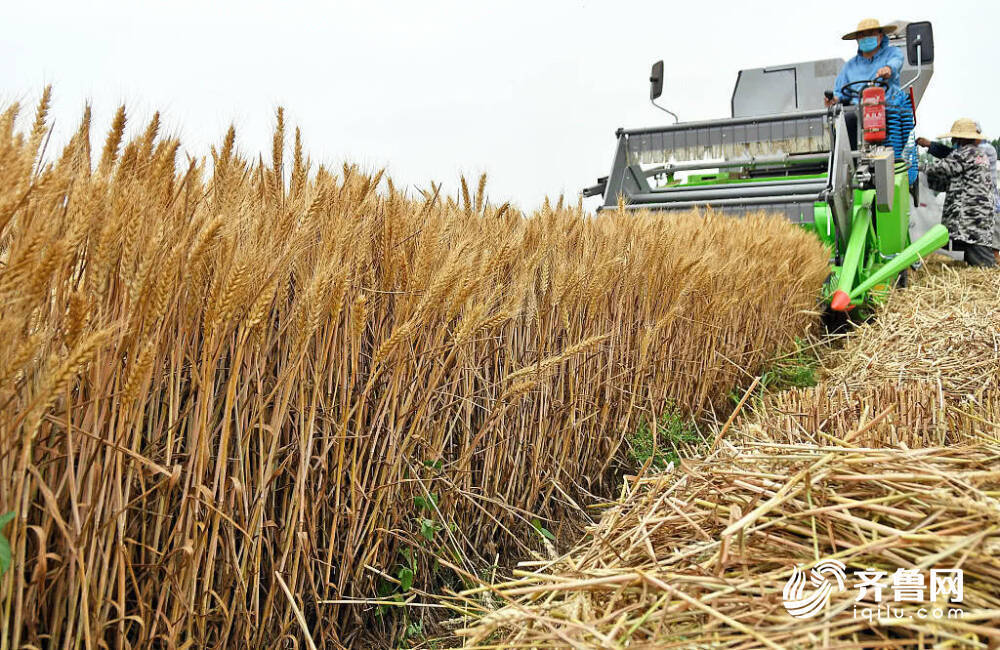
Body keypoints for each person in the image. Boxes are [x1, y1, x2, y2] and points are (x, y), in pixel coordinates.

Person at [916, 119, 997, 268]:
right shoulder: (978, 154)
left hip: (970, 216)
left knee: (982, 260)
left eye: (954, 138)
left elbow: (941, 168)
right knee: (975, 252)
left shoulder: (966, 153)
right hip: (979, 215)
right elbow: (954, 182)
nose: (952, 141)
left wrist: (917, 167)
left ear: (960, 138)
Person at [825, 19, 905, 108]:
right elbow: (840, 93)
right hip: (858, 112)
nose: (866, 37)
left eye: (871, 33)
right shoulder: (849, 66)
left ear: (881, 36)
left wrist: (888, 69)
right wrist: (833, 99)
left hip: (888, 109)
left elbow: (896, 62)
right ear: (857, 40)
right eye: (862, 35)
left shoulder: (892, 53)